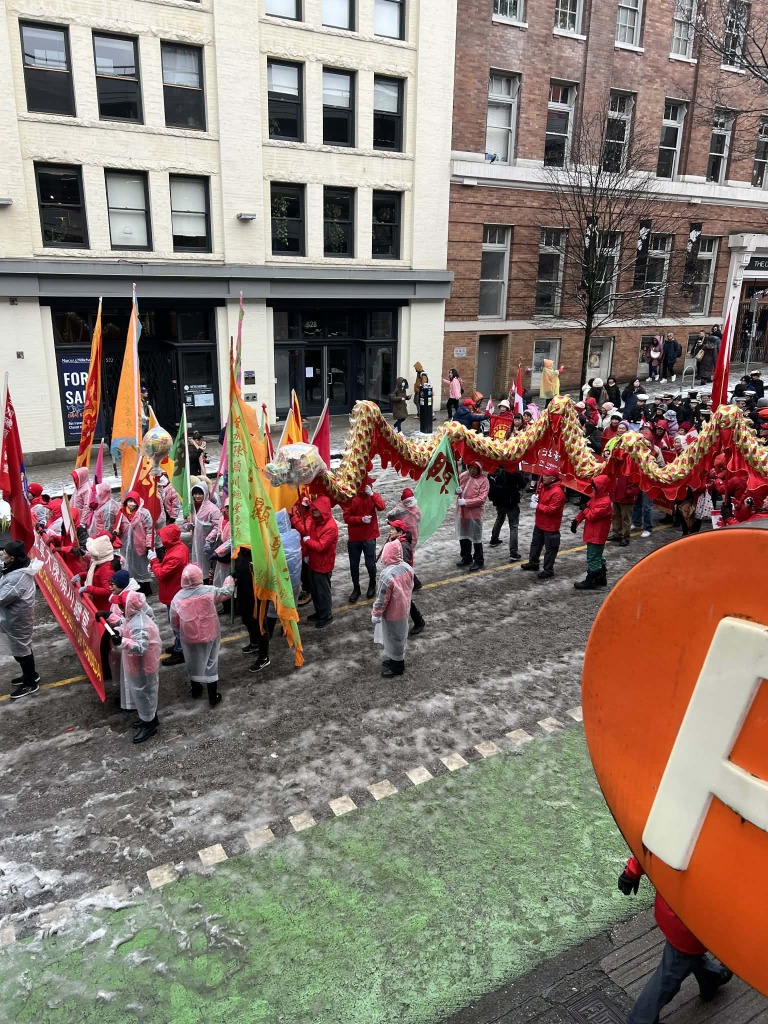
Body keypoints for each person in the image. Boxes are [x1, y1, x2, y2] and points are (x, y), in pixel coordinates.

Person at [618, 856, 732, 1024]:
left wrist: (632, 871)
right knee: (670, 972)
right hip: (695, 923)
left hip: (671, 906)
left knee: (684, 957)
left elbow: (656, 840)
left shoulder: (697, 829)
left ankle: (710, 978)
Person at [170, 564, 235, 706]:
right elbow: (227, 592)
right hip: (210, 633)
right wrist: (230, 579)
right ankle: (213, 696)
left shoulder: (177, 598)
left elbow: (173, 620)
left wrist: (179, 632)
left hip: (189, 637)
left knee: (193, 661)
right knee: (211, 662)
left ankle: (196, 689)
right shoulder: (209, 591)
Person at [250, 508, 303, 675]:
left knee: (272, 614)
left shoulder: (275, 540)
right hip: (294, 582)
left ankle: (266, 641)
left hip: (280, 584)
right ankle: (294, 639)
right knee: (291, 610)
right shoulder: (295, 535)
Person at [115, 590, 162, 744]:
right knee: (141, 695)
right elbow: (124, 626)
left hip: (145, 666)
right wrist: (115, 629)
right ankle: (148, 719)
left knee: (146, 693)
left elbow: (141, 647)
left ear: (129, 606)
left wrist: (122, 642)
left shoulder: (139, 624)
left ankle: (150, 725)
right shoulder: (133, 617)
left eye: (121, 605)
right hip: (138, 665)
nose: (120, 608)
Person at [1, 541, 42, 699]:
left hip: (17, 620)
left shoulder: (17, 579)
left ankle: (30, 683)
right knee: (22, 648)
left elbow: (2, 598)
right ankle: (30, 674)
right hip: (16, 617)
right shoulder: (19, 565)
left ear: (12, 558)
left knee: (21, 651)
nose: (2, 556)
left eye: (5, 554)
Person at [371, 539, 414, 678]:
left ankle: (398, 666)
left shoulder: (386, 575)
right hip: (404, 609)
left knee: (394, 638)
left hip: (392, 613)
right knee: (398, 637)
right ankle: (393, 659)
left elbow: (382, 598)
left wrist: (376, 613)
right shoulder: (407, 567)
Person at [148, 523, 189, 667]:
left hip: (174, 592)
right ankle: (178, 644)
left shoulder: (176, 555)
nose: (161, 538)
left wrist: (154, 562)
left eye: (164, 536)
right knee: (175, 622)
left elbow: (161, 574)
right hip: (173, 590)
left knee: (176, 623)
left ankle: (180, 651)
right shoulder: (177, 547)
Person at [342, 476, 385, 603]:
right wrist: (360, 519)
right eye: (368, 485)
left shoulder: (372, 496)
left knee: (370, 564)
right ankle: (356, 588)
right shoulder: (351, 497)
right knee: (353, 565)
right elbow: (346, 517)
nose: (370, 486)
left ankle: (372, 584)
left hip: (369, 536)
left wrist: (372, 495)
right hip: (355, 537)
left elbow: (382, 507)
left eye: (371, 485)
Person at [520, 470, 565, 580]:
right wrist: (536, 498)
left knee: (550, 549)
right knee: (535, 544)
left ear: (553, 478)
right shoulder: (544, 487)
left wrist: (537, 505)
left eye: (547, 475)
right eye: (543, 474)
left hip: (550, 526)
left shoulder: (558, 492)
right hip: (540, 523)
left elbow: (552, 509)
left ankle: (548, 570)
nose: (543, 477)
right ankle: (533, 563)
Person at [301, 495, 338, 628]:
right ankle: (319, 612)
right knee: (315, 590)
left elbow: (321, 546)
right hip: (313, 562)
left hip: (323, 564)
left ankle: (326, 615)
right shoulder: (316, 521)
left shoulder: (330, 527)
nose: (313, 512)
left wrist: (307, 542)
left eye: (316, 510)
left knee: (323, 591)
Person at [570, 474, 612, 589]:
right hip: (593, 533)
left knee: (593, 557)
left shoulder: (605, 502)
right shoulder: (596, 498)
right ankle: (601, 577)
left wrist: (584, 509)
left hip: (597, 534)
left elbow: (591, 515)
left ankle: (591, 580)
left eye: (594, 486)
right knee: (598, 556)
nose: (592, 488)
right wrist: (576, 521)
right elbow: (586, 509)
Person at [386, 519, 425, 637]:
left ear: (400, 532)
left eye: (392, 530)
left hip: (401, 577)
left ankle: (418, 621)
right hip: (395, 576)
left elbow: (405, 564)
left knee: (404, 600)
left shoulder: (403, 545)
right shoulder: (395, 541)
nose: (390, 532)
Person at [115, 491, 154, 596]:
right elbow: (118, 528)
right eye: (129, 501)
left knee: (142, 566)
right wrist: (117, 532)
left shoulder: (144, 513)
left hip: (140, 545)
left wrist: (149, 545)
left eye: (133, 501)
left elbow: (149, 530)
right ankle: (132, 587)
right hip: (125, 546)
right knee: (129, 566)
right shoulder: (121, 513)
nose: (131, 504)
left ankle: (145, 587)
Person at [455, 461, 489, 571]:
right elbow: (455, 486)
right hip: (462, 512)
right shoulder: (464, 476)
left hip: (475, 514)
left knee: (476, 537)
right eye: (470, 468)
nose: (472, 470)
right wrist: (456, 490)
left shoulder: (484, 481)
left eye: (475, 468)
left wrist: (467, 502)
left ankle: (479, 560)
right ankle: (466, 557)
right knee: (464, 536)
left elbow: (482, 499)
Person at [488, 466, 525, 559]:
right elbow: (523, 484)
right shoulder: (513, 471)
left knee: (500, 518)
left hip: (499, 501)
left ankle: (494, 539)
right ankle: (513, 552)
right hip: (511, 502)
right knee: (513, 526)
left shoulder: (492, 472)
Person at [186, 481, 221, 576]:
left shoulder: (212, 509)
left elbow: (217, 526)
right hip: (196, 543)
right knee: (197, 565)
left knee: (208, 567)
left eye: (200, 493)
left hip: (207, 545)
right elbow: (190, 521)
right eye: (195, 494)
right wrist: (188, 525)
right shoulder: (193, 508)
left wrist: (209, 540)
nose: (197, 496)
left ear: (205, 493)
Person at [608, 463, 639, 547]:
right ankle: (617, 534)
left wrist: (629, 492)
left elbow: (636, 481)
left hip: (626, 497)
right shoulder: (617, 463)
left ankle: (626, 537)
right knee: (615, 515)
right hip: (617, 494)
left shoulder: (631, 464)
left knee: (626, 517)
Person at [290, 495, 313, 605]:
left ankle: (309, 591)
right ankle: (306, 589)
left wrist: (294, 519)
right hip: (301, 549)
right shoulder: (300, 515)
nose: (299, 508)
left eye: (302, 506)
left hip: (307, 550)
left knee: (306, 573)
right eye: (299, 506)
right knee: (302, 572)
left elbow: (305, 530)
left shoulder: (309, 517)